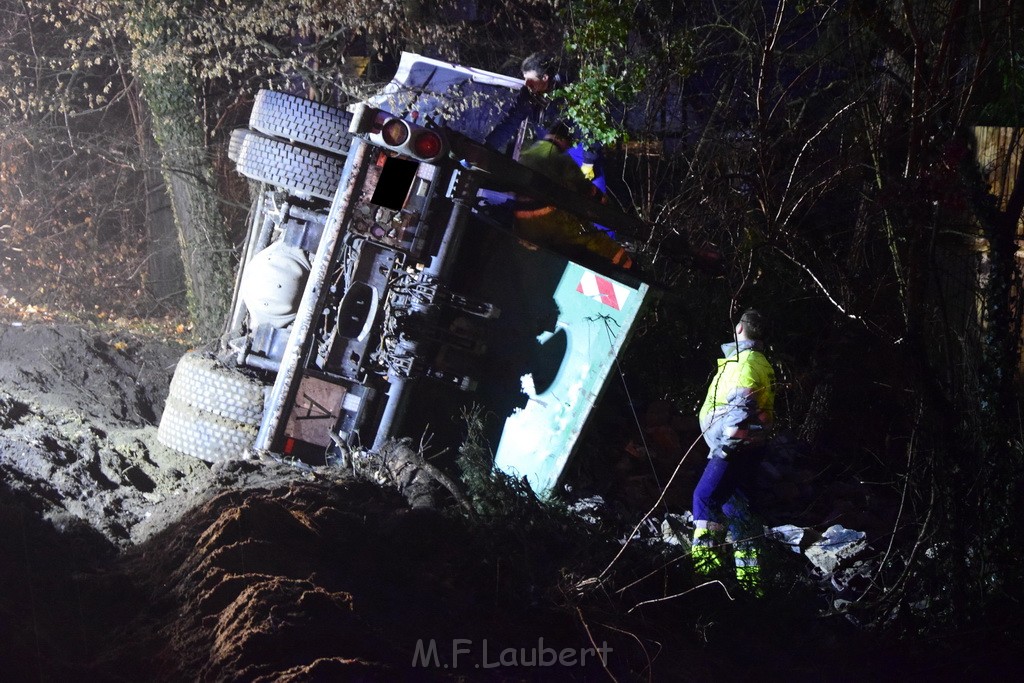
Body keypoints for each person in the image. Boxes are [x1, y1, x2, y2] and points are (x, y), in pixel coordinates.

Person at [691, 309, 776, 595]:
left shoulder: (745, 363)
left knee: (705, 499)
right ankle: (752, 585)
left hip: (735, 450)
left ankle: (705, 574)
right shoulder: (756, 361)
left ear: (739, 329)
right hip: (748, 449)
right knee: (739, 512)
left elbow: (741, 409)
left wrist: (727, 447)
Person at [513, 123, 633, 271]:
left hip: (523, 222)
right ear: (562, 139)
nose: (568, 147)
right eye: (568, 143)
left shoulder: (529, 152)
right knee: (596, 242)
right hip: (551, 219)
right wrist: (608, 209)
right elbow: (585, 188)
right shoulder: (557, 157)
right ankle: (630, 270)